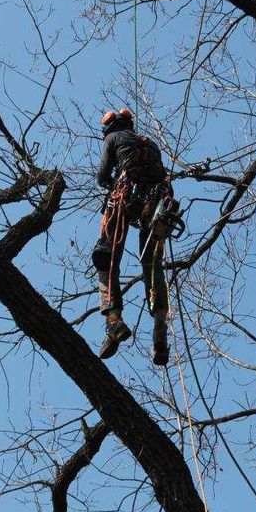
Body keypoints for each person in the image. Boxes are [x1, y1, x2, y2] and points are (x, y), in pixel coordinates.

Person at [92, 108, 173, 366]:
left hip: (126, 197)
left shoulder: (112, 139)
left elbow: (102, 175)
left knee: (107, 256)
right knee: (152, 263)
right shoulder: (150, 144)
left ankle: (113, 320)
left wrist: (109, 182)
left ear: (109, 128)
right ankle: (160, 328)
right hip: (156, 201)